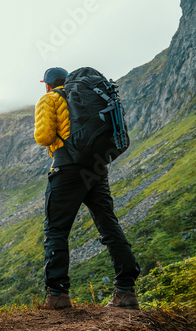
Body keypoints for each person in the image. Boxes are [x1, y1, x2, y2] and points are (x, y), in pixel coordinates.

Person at [34, 67, 141, 310]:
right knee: (108, 225)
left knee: (56, 230)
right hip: (96, 168)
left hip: (67, 169)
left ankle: (57, 295)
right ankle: (126, 291)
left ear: (48, 85)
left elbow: (44, 136)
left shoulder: (50, 98)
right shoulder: (85, 96)